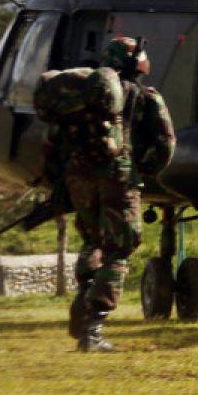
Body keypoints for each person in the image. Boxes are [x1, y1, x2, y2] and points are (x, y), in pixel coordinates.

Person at [55, 37, 175, 351]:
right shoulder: (145, 96)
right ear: (135, 62)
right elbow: (165, 143)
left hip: (79, 177)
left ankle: (84, 293)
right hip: (118, 177)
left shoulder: (82, 95)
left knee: (93, 240)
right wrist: (145, 169)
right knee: (120, 248)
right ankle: (93, 329)